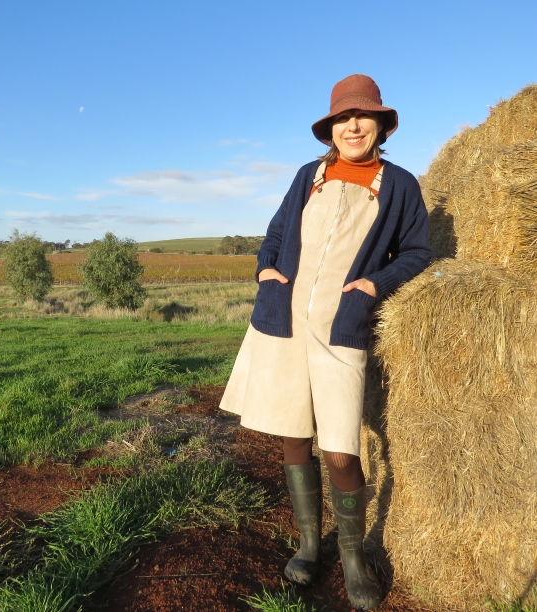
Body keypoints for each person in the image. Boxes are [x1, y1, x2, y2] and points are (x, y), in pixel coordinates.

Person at [220, 74, 432, 611]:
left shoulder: (399, 183)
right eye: (343, 118)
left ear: (380, 125)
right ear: (331, 128)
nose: (353, 126)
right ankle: (310, 543)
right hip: (285, 321)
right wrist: (267, 270)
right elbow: (273, 235)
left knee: (340, 448)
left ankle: (354, 555)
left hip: (342, 326)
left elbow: (416, 252)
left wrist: (373, 285)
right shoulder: (305, 176)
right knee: (293, 432)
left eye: (363, 117)